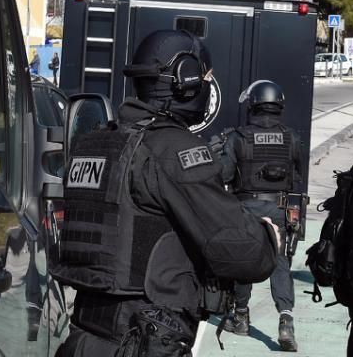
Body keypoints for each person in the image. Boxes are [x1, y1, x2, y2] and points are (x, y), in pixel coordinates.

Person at [52, 29, 279, 357]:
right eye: (205, 78)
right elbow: (242, 252)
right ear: (185, 81)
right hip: (143, 338)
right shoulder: (173, 149)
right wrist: (268, 238)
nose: (207, 86)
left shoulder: (95, 144)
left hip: (85, 333)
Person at [218, 80, 305, 352]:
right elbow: (297, 177)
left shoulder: (238, 137)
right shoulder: (292, 137)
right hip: (281, 209)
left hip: (246, 208)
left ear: (253, 104)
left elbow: (224, 175)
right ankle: (286, 319)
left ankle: (241, 316)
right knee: (280, 263)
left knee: (246, 261)